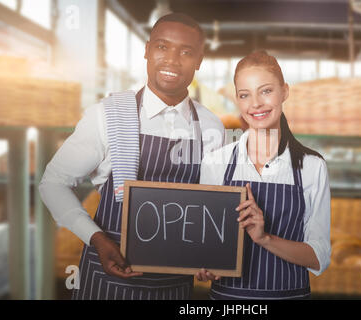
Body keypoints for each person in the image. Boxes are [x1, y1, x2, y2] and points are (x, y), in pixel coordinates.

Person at [39, 13, 225, 300]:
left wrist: (211, 254)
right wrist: (97, 239)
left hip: (174, 286)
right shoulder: (109, 114)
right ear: (147, 50)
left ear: (199, 60)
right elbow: (53, 183)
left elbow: (212, 205)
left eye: (186, 52)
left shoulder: (211, 126)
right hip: (105, 279)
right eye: (162, 47)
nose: (172, 60)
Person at [197, 51, 331, 300]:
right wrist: (204, 263)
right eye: (245, 95)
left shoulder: (312, 166)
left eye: (266, 91)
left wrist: (265, 238)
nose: (255, 103)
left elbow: (319, 256)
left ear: (285, 92)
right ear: (237, 100)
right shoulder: (216, 162)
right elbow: (207, 243)